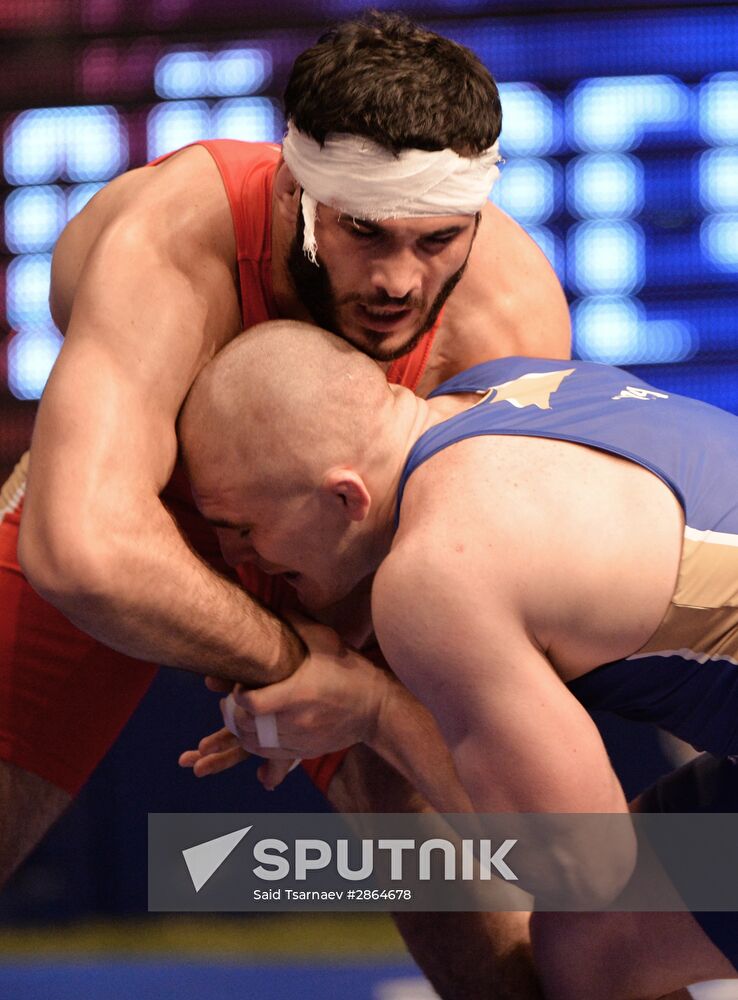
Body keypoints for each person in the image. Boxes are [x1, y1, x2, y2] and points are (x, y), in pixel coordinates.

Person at [0, 11, 566, 999]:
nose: (398, 279)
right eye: (363, 233)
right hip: (147, 504)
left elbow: (503, 662)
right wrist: (298, 664)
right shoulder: (175, 231)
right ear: (300, 191)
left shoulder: (503, 322)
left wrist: (371, 701)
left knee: (527, 947)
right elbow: (85, 548)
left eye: (437, 240)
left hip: (356, 554)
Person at [179, 318, 738, 1000]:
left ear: (344, 496)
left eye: (244, 529)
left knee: (592, 925)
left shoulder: (435, 571)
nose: (240, 560)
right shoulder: (506, 386)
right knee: (595, 946)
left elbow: (583, 865)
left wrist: (374, 711)